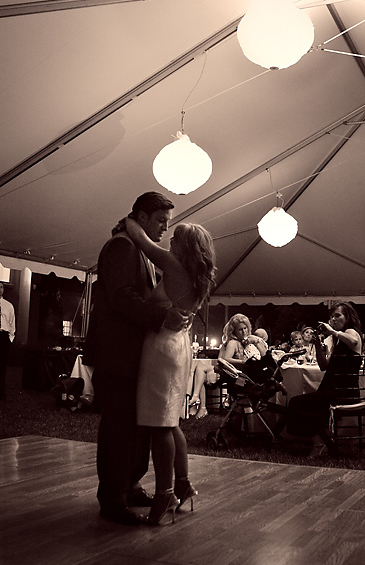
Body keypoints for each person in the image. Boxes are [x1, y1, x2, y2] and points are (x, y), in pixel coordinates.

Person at [83, 191, 175, 526]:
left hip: (132, 356)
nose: (165, 227)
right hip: (117, 354)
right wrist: (161, 317)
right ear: (143, 217)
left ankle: (130, 486)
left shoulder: (137, 247)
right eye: (161, 220)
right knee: (119, 430)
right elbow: (122, 297)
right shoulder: (121, 247)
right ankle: (112, 499)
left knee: (136, 428)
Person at [124, 216, 216, 526]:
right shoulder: (197, 277)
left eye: (175, 238)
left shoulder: (175, 265)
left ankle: (164, 493)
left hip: (162, 349)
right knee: (170, 421)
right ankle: (183, 484)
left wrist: (131, 219)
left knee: (159, 425)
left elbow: (141, 239)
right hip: (179, 347)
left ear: (185, 247)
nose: (170, 241)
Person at [285, 301, 363, 457]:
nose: (333, 319)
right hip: (333, 390)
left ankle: (320, 443)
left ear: (347, 317)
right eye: (332, 316)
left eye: (337, 316)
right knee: (300, 403)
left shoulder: (351, 332)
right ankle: (325, 442)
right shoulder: (339, 339)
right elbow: (324, 365)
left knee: (297, 403)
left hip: (344, 392)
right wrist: (317, 344)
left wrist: (333, 331)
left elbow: (353, 341)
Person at [187, 314, 258, 419]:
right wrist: (243, 362)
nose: (244, 331)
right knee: (201, 370)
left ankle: (199, 403)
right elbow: (225, 359)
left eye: (245, 328)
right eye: (240, 329)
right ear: (234, 331)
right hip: (230, 372)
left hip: (235, 374)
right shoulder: (233, 343)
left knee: (200, 371)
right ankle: (199, 402)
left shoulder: (244, 342)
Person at [0, 283, 15, 400]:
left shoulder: (8, 306)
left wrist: (10, 339)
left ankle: (1, 392)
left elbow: (11, 323)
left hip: (3, 337)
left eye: (1, 287)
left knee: (2, 365)